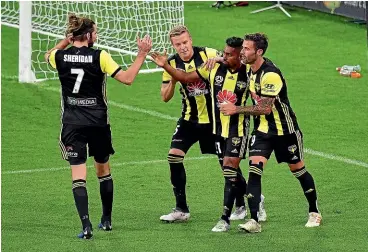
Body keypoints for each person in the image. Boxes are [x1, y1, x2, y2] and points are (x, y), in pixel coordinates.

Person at [44, 13, 152, 239]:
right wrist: (142, 54)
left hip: (72, 124)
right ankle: (107, 220)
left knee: (78, 176)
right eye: (95, 31)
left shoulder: (60, 57)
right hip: (98, 123)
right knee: (103, 170)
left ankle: (86, 226)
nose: (98, 35)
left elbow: (48, 54)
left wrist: (67, 39)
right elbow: (127, 78)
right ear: (89, 35)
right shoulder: (100, 56)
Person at [152, 37, 264, 232]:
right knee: (174, 156)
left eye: (185, 42)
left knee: (228, 168)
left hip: (217, 123)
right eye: (177, 44)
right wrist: (166, 68)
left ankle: (250, 197)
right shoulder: (182, 63)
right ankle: (182, 209)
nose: (182, 46)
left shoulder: (210, 55)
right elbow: (170, 92)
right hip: (190, 120)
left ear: (191, 40)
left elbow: (260, 94)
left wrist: (221, 58)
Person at [220, 33, 322, 233]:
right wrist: (219, 58)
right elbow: (230, 58)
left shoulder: (271, 75)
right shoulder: (250, 68)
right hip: (263, 131)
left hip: (285, 132)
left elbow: (265, 108)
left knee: (298, 170)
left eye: (247, 49)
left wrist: (236, 109)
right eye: (243, 48)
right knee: (254, 172)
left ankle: (314, 211)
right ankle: (254, 220)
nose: (243, 52)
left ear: (259, 52)